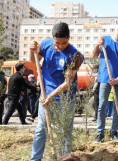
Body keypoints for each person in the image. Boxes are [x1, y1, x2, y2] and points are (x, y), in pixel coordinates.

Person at [29, 22, 83, 160]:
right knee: (41, 129)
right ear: (53, 38)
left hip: (65, 98)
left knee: (65, 131)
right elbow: (34, 61)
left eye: (64, 43)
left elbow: (68, 82)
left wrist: (52, 96)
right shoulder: (46, 44)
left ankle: (63, 158)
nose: (60, 46)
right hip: (46, 94)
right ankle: (35, 159)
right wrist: (32, 50)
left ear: (69, 38)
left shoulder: (75, 55)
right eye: (57, 42)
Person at [92, 22, 118, 143]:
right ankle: (100, 133)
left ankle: (114, 131)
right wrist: (97, 44)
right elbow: (94, 55)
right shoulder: (105, 40)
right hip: (105, 78)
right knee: (102, 105)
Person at [0, 56, 7, 124]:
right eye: (2, 62)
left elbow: (4, 82)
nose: (3, 64)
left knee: (1, 108)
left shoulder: (2, 72)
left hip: (1, 94)